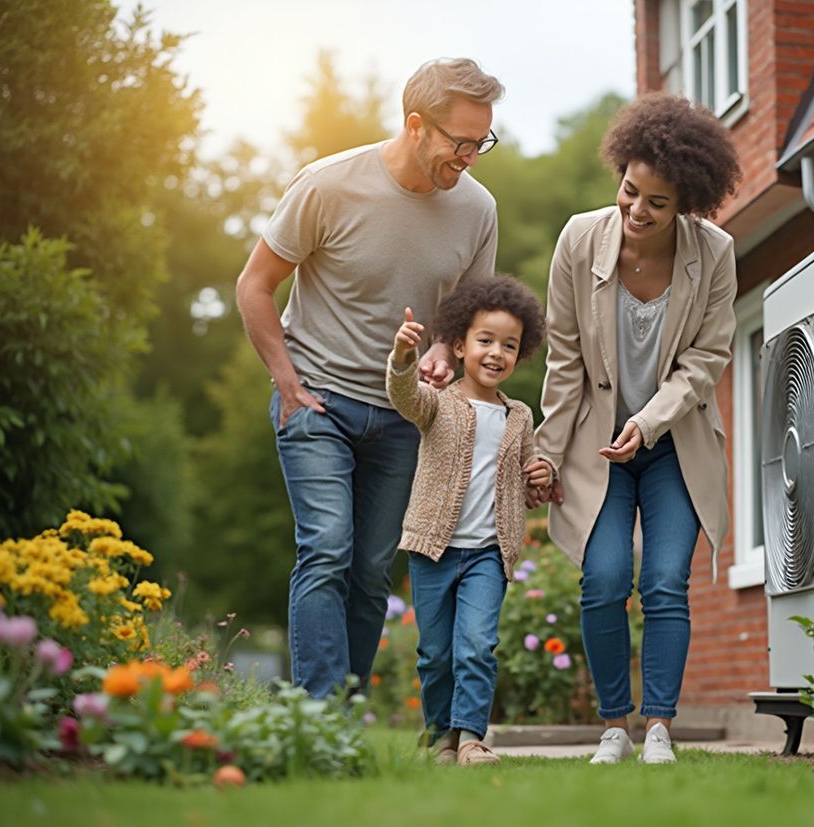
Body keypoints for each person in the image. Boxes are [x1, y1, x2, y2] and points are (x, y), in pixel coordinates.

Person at [235, 58, 504, 699]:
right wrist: (288, 385)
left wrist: (444, 346)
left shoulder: (477, 209)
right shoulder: (327, 186)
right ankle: (319, 715)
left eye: (482, 142)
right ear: (416, 125)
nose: (470, 157)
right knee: (326, 548)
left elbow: (465, 315)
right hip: (319, 400)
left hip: (403, 415)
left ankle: (342, 719)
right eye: (459, 141)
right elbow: (255, 286)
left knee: (370, 571)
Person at [525, 93, 742, 764]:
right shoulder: (578, 239)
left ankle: (659, 728)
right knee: (605, 576)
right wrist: (546, 455)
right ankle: (615, 723)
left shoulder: (716, 253)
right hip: (597, 446)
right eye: (630, 192)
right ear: (618, 174)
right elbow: (565, 362)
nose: (637, 212)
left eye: (657, 203)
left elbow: (707, 359)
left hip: (673, 443)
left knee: (666, 580)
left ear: (688, 206)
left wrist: (648, 423)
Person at [387, 276, 549, 766]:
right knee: (436, 654)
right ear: (459, 345)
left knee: (476, 646)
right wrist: (401, 360)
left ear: (520, 356)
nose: (495, 353)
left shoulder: (520, 416)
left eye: (508, 345)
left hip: (488, 553)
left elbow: (528, 487)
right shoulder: (438, 401)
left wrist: (541, 477)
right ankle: (440, 739)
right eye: (485, 341)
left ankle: (472, 739)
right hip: (433, 550)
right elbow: (404, 397)